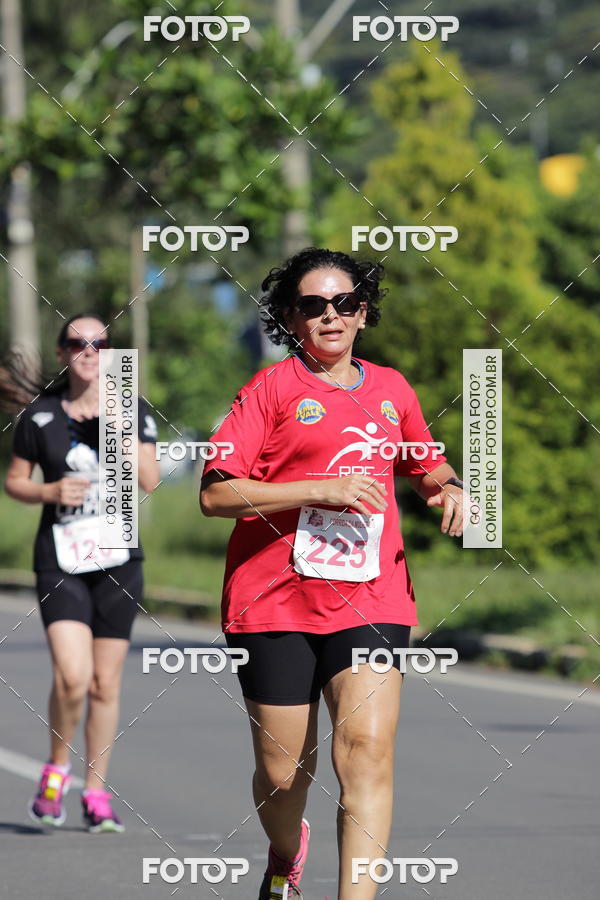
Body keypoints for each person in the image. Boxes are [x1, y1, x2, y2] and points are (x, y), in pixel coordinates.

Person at [200, 248, 465, 899]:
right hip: (273, 603)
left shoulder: (392, 389)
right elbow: (215, 494)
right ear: (290, 317)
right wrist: (320, 489)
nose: (331, 316)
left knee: (368, 751)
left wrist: (449, 487)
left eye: (345, 303)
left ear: (363, 312)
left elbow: (423, 462)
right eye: (313, 306)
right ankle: (284, 858)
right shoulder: (271, 390)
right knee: (284, 773)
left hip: (370, 595)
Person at [2, 314, 159, 832]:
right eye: (78, 342)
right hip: (61, 556)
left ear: (110, 352)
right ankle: (57, 766)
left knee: (103, 685)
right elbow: (15, 482)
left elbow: (150, 481)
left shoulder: (131, 408)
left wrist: (118, 422)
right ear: (62, 352)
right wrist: (49, 492)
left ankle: (95, 791)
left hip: (117, 558)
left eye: (100, 343)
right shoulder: (41, 417)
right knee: (72, 677)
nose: (89, 350)